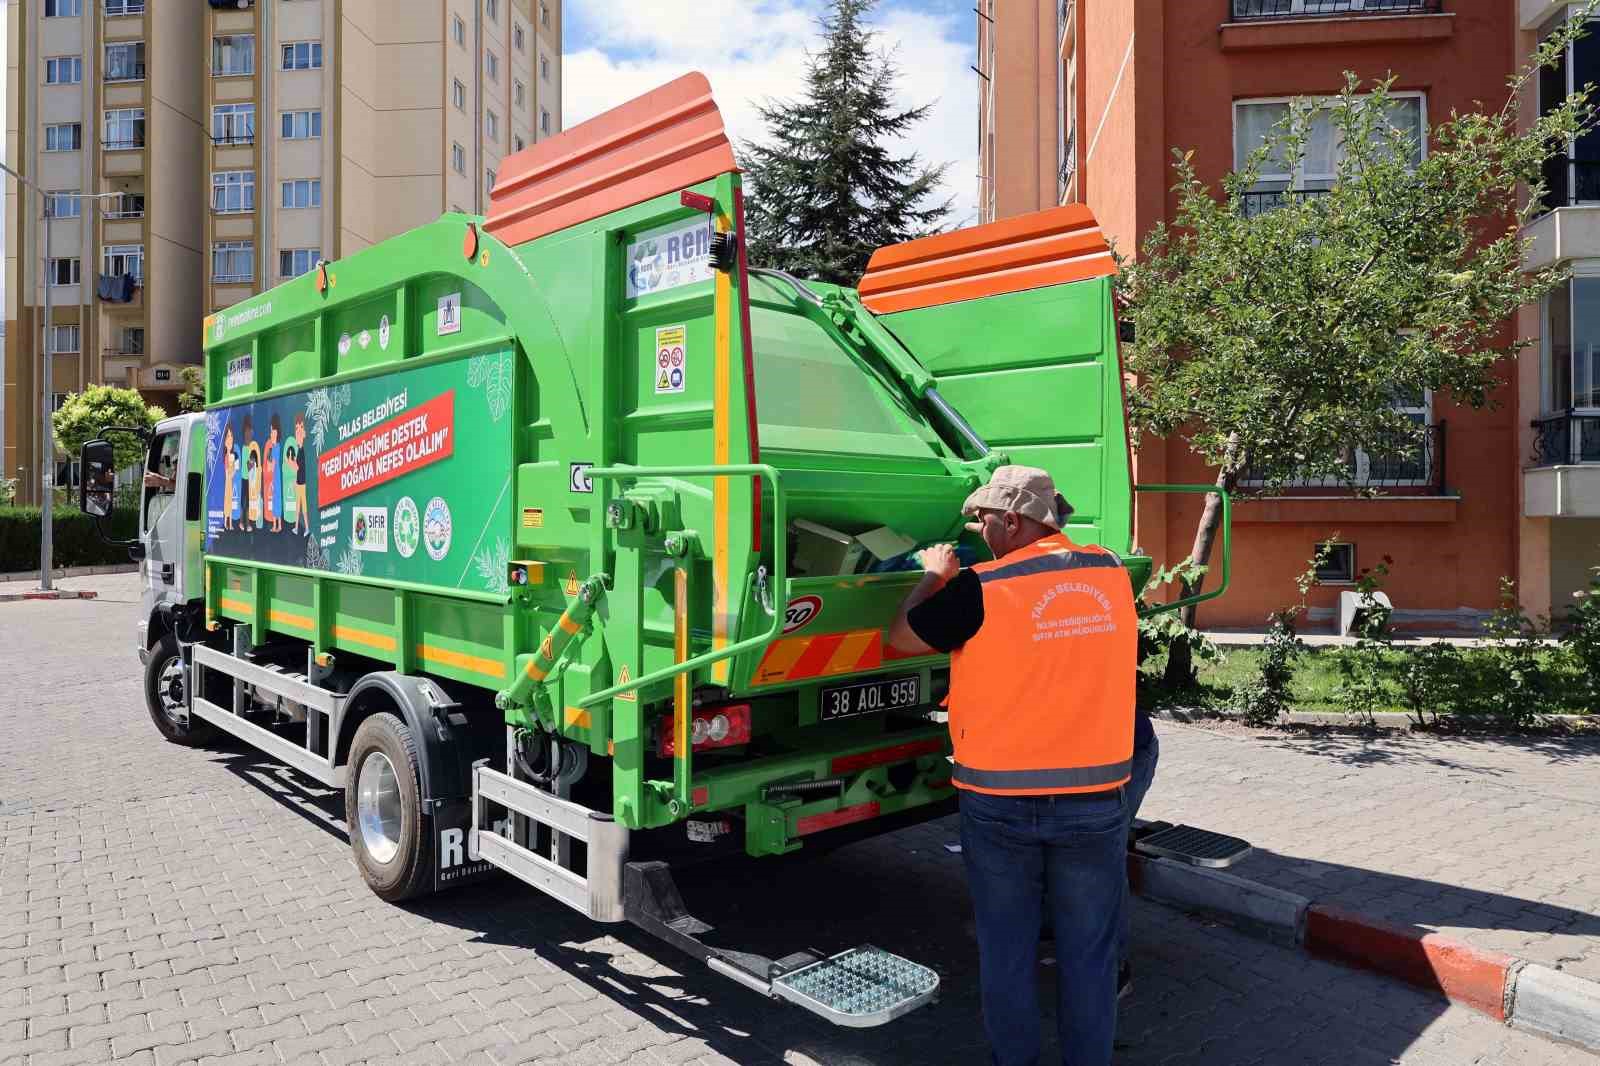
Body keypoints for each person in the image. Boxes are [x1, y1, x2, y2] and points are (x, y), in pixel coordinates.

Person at [889, 465, 1137, 1066]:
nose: (977, 529)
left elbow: (899, 638)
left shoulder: (980, 588)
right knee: (1089, 957)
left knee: (1008, 954)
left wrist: (932, 576)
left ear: (1011, 519)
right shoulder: (1111, 572)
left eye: (982, 518)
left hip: (999, 804)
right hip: (1095, 799)